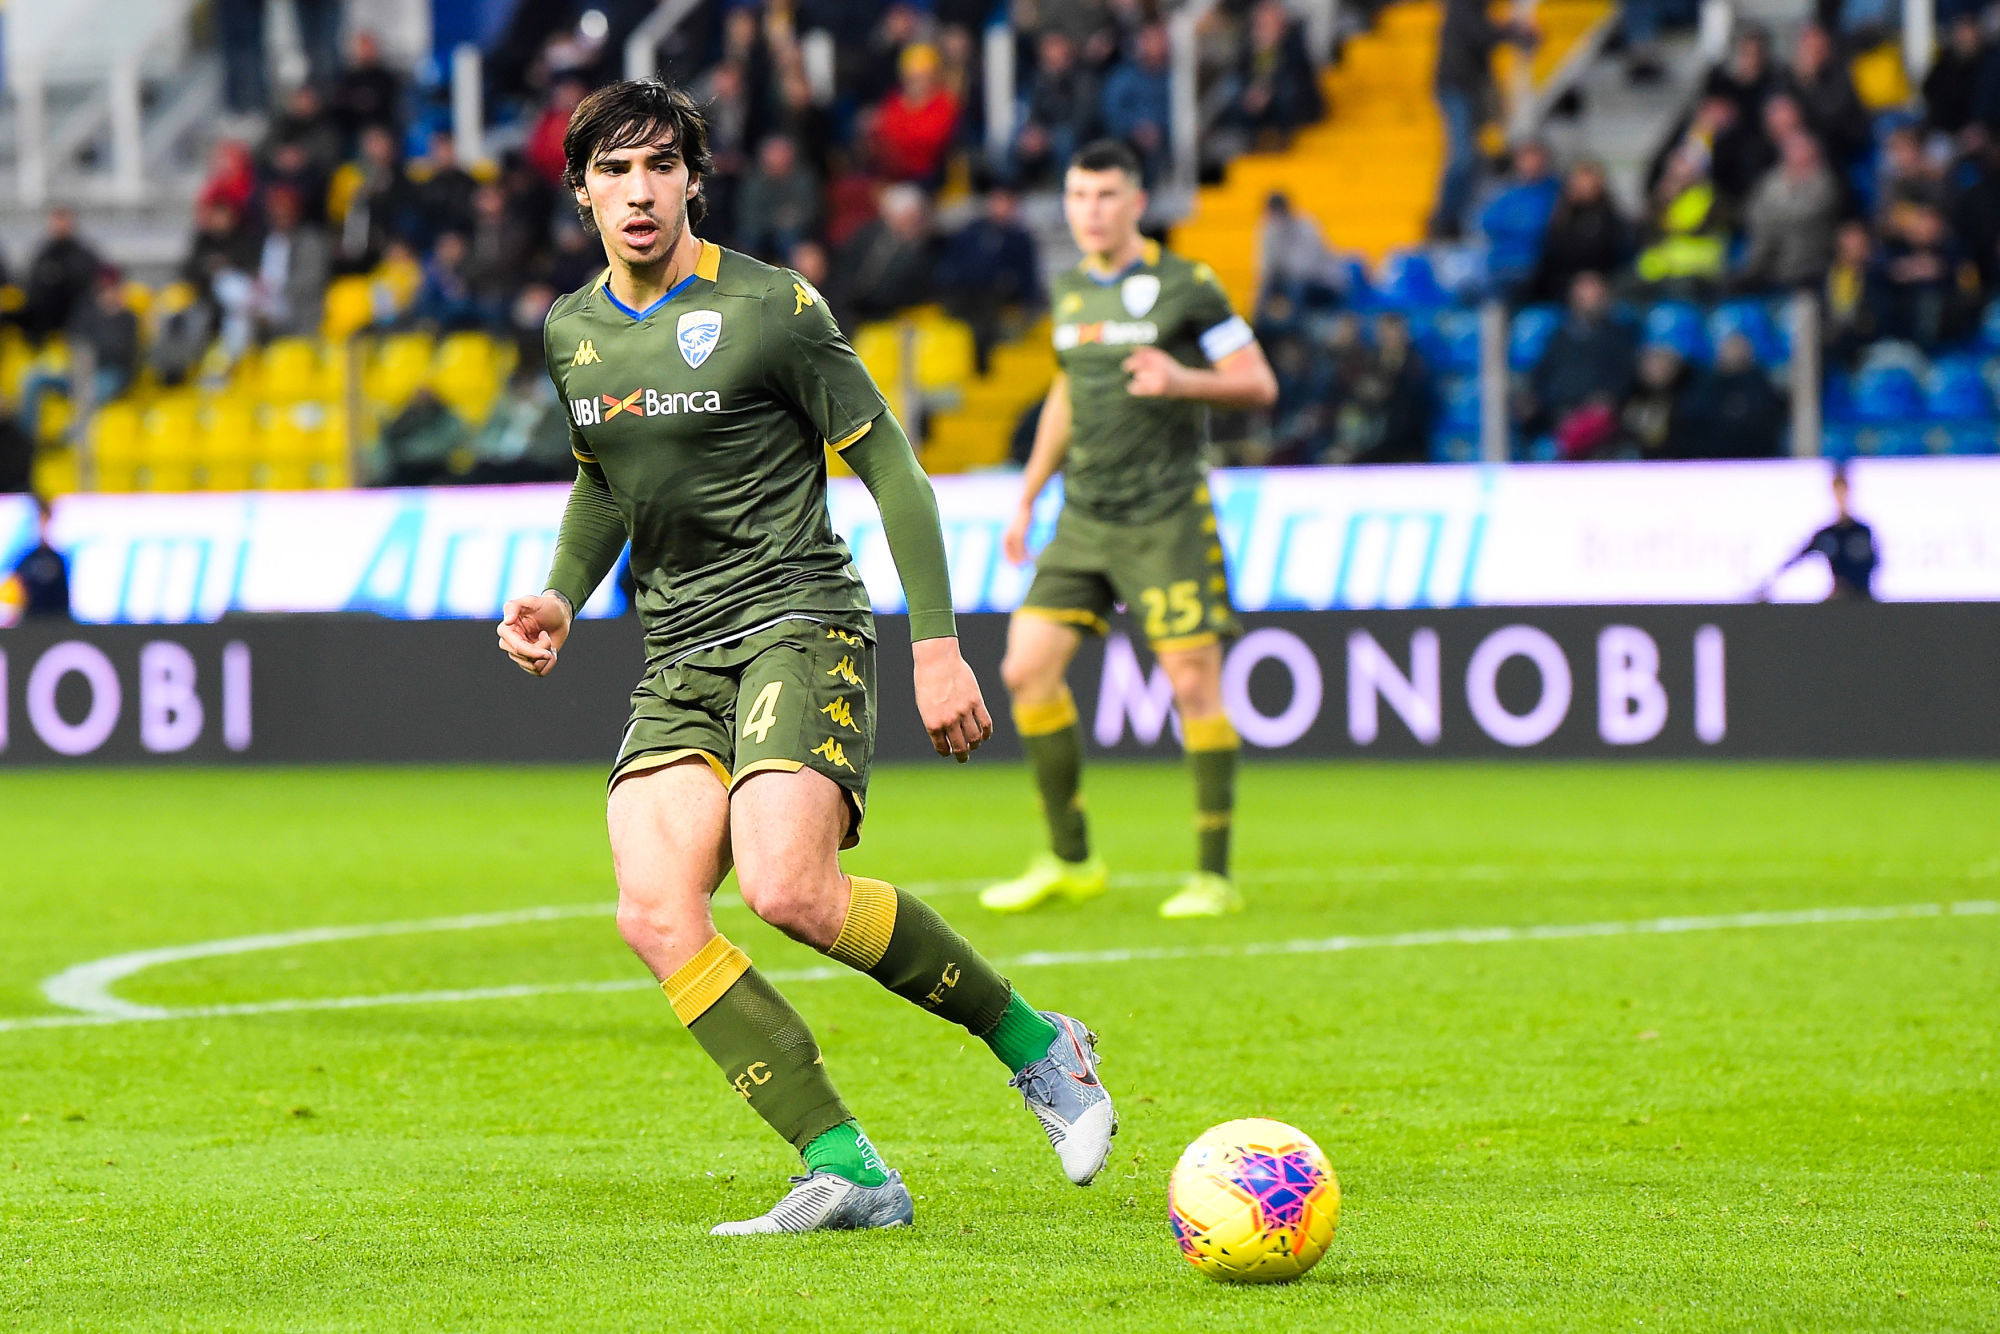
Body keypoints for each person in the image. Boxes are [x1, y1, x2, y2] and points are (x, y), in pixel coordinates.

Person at [495, 79, 1115, 1236]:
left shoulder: (771, 306)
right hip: (676, 646)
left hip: (797, 613)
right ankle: (846, 1166)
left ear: (693, 178)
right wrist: (560, 594)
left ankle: (1040, 1043)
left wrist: (938, 647)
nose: (639, 190)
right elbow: (602, 480)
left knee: (788, 888)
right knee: (653, 908)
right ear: (580, 192)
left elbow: (895, 473)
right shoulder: (570, 331)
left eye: (659, 165)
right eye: (614, 170)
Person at [980, 140, 1278, 920]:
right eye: (1079, 196)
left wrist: (1183, 381)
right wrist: (1027, 497)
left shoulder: (1186, 286)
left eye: (1106, 195)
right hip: (1084, 516)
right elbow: (1066, 394)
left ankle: (1214, 875)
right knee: (1025, 671)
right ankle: (1071, 859)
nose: (1091, 211)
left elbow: (1258, 382)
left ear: (1138, 203)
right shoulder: (1073, 288)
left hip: (1166, 516)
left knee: (1191, 684)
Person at [1429, 0, 1537, 238]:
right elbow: (1479, 36)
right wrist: (1514, 31)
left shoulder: (1476, 8)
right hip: (1457, 87)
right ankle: (1443, 220)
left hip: (1472, 89)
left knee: (1477, 159)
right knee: (1463, 156)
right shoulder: (1463, 6)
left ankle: (1462, 220)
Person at [1763, 466, 1877, 599]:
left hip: (1862, 596)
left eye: (1843, 491)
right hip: (1839, 598)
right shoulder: (1827, 534)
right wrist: (1770, 583)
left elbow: (1873, 563)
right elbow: (1798, 556)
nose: (1840, 497)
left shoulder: (1862, 531)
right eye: (1837, 491)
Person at [8, 496, 70, 621]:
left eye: (45, 520)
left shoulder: (58, 558)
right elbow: (15, 588)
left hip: (56, 622)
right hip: (30, 622)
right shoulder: (26, 558)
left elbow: (64, 597)